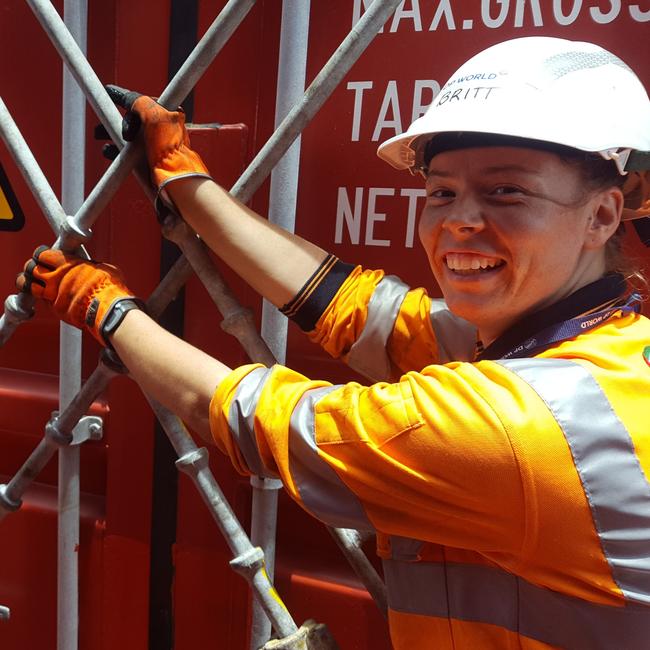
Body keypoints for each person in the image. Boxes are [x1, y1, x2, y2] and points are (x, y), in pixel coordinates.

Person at [17, 36, 650, 649]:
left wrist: (107, 310)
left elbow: (262, 417)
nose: (459, 219)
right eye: (441, 192)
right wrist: (188, 185)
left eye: (507, 191)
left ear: (603, 215)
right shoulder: (596, 355)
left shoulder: (529, 426)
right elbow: (358, 309)